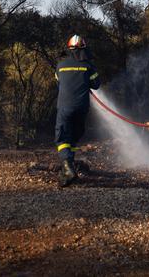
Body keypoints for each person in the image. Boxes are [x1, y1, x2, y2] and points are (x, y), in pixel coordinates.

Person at [54, 35, 101, 187]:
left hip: (65, 107)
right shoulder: (88, 66)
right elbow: (96, 85)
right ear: (83, 49)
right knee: (73, 137)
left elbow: (59, 83)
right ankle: (70, 168)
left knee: (62, 139)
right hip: (81, 108)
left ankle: (68, 168)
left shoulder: (60, 66)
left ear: (69, 49)